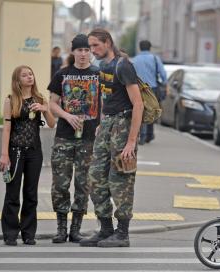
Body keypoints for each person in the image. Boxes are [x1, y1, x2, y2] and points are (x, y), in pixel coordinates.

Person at [80, 28, 143, 248]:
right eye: (90, 46)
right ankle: (106, 229)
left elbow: (138, 104)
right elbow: (109, 98)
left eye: (96, 45)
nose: (92, 50)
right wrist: (102, 123)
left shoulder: (123, 64)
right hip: (108, 125)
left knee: (121, 180)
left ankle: (122, 233)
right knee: (95, 178)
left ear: (108, 43)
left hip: (124, 126)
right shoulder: (102, 67)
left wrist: (131, 141)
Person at [48, 34, 100, 243]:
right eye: (79, 50)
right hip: (64, 137)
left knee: (83, 184)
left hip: (89, 138)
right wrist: (67, 115)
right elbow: (52, 103)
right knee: (60, 183)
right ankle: (61, 228)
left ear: (91, 52)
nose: (83, 54)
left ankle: (75, 228)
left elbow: (107, 104)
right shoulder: (62, 74)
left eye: (87, 50)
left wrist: (101, 126)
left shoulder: (99, 74)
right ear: (73, 52)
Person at [0, 65, 55, 246]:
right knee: (12, 194)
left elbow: (52, 124)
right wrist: (4, 154)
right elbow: (7, 129)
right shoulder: (10, 100)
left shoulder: (39, 98)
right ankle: (10, 233)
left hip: (34, 153)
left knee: (31, 194)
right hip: (15, 151)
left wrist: (45, 108)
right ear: (18, 80)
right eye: (25, 75)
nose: (29, 77)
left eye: (31, 74)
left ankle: (29, 233)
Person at [132, 40, 167, 145]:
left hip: (138, 89)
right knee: (152, 110)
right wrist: (164, 84)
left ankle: (142, 135)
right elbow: (163, 74)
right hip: (152, 89)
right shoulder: (155, 59)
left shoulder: (135, 60)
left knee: (140, 111)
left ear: (140, 47)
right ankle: (149, 135)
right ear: (150, 48)